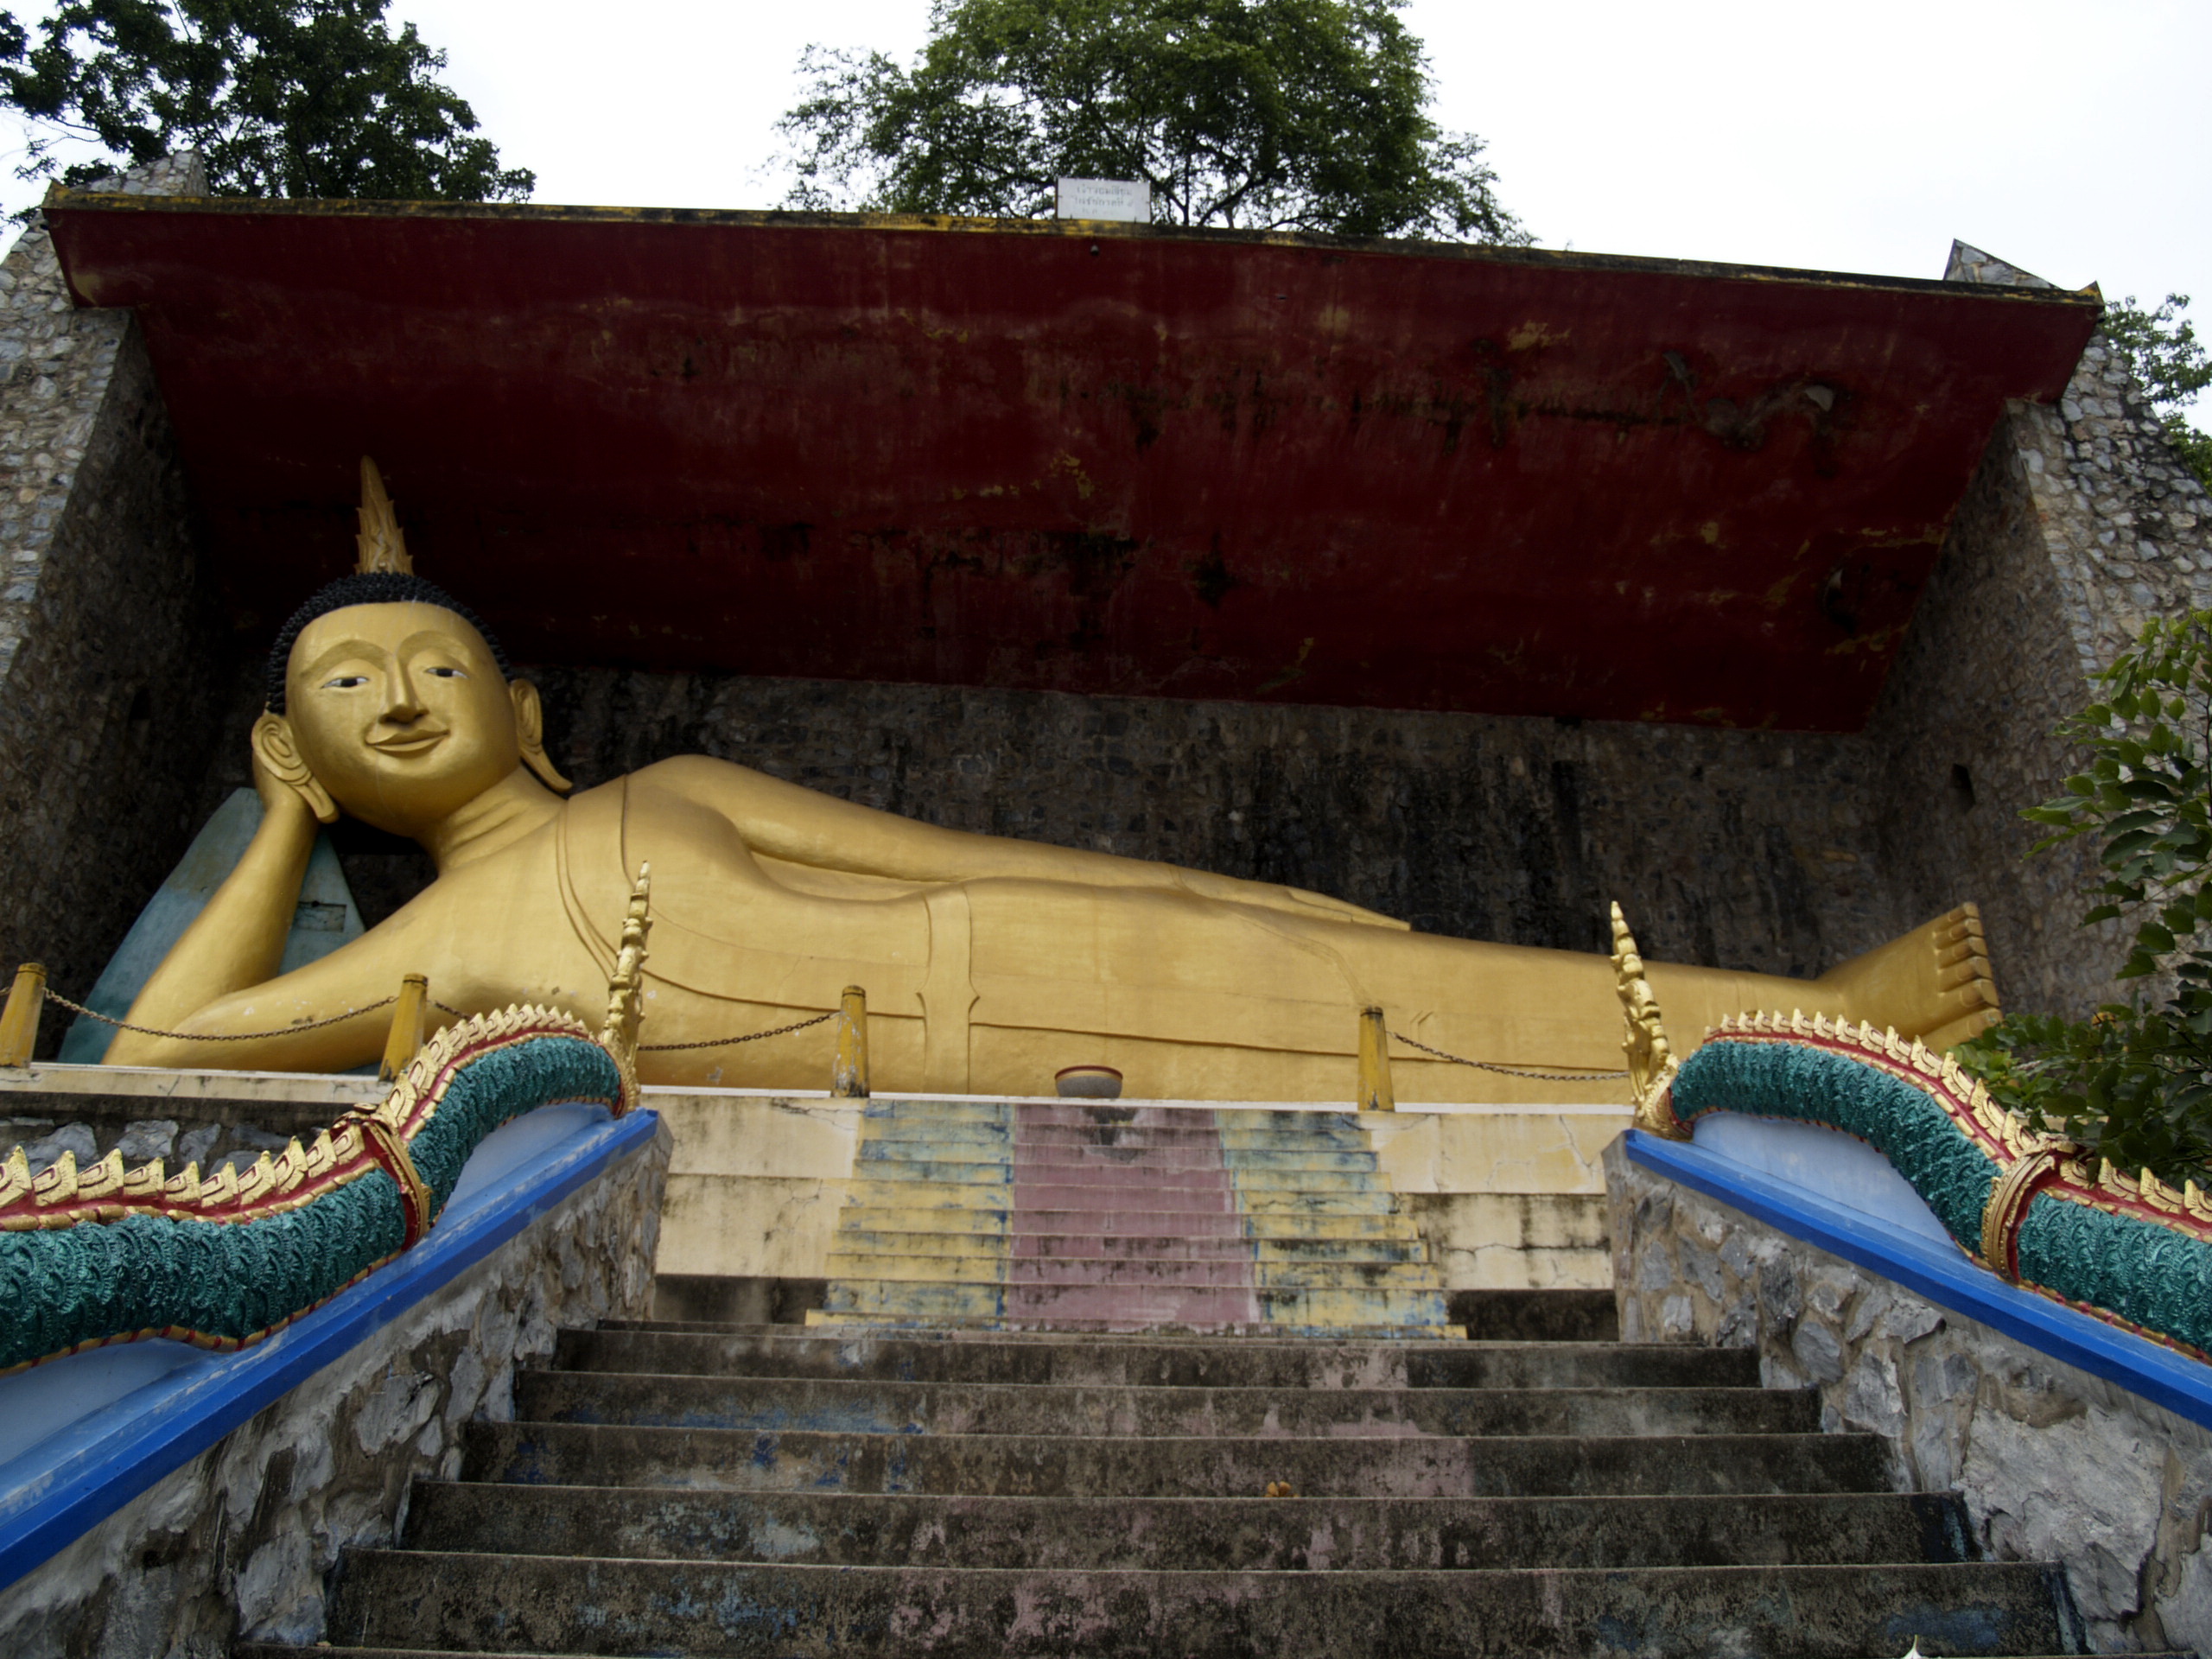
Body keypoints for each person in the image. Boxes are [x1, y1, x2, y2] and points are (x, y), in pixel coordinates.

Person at [105, 473, 1999, 1101]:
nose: (404, 697)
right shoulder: (438, 944)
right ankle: (1808, 1037)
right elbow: (150, 1060)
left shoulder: (655, 784)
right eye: (347, 692)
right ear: (310, 751)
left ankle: (1813, 1021)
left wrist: (1202, 893)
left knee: (1394, 986)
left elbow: (952, 843)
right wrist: (275, 822)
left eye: (437, 664)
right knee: (1394, 1039)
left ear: (523, 706)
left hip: (992, 937)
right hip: (937, 1047)